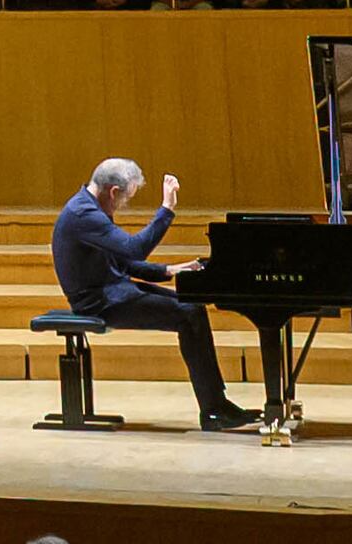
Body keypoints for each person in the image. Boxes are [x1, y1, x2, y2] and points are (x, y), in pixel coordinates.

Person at [51, 158, 260, 431]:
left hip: (114, 291)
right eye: (126, 197)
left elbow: (123, 261)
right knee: (188, 314)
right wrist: (167, 209)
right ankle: (213, 408)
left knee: (192, 306)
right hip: (99, 303)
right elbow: (134, 249)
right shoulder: (84, 214)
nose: (124, 204)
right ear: (113, 191)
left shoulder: (91, 208)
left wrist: (168, 270)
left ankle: (217, 405)